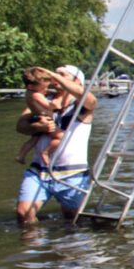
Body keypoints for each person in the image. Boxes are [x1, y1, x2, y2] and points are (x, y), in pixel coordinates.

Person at [15, 65, 96, 224]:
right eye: (54, 74)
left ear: (77, 81)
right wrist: (37, 126)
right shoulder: (45, 99)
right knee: (23, 214)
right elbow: (20, 125)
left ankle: (63, 246)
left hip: (71, 174)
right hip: (39, 171)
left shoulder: (83, 105)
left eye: (61, 75)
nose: (54, 78)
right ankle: (34, 246)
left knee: (71, 221)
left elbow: (88, 97)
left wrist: (53, 75)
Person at [15, 67, 59, 164]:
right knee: (60, 137)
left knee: (34, 139)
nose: (46, 90)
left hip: (36, 117)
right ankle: (46, 152)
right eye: (43, 88)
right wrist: (57, 103)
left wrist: (46, 92)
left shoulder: (30, 93)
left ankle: (21, 155)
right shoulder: (37, 95)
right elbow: (50, 106)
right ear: (31, 86)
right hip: (42, 118)